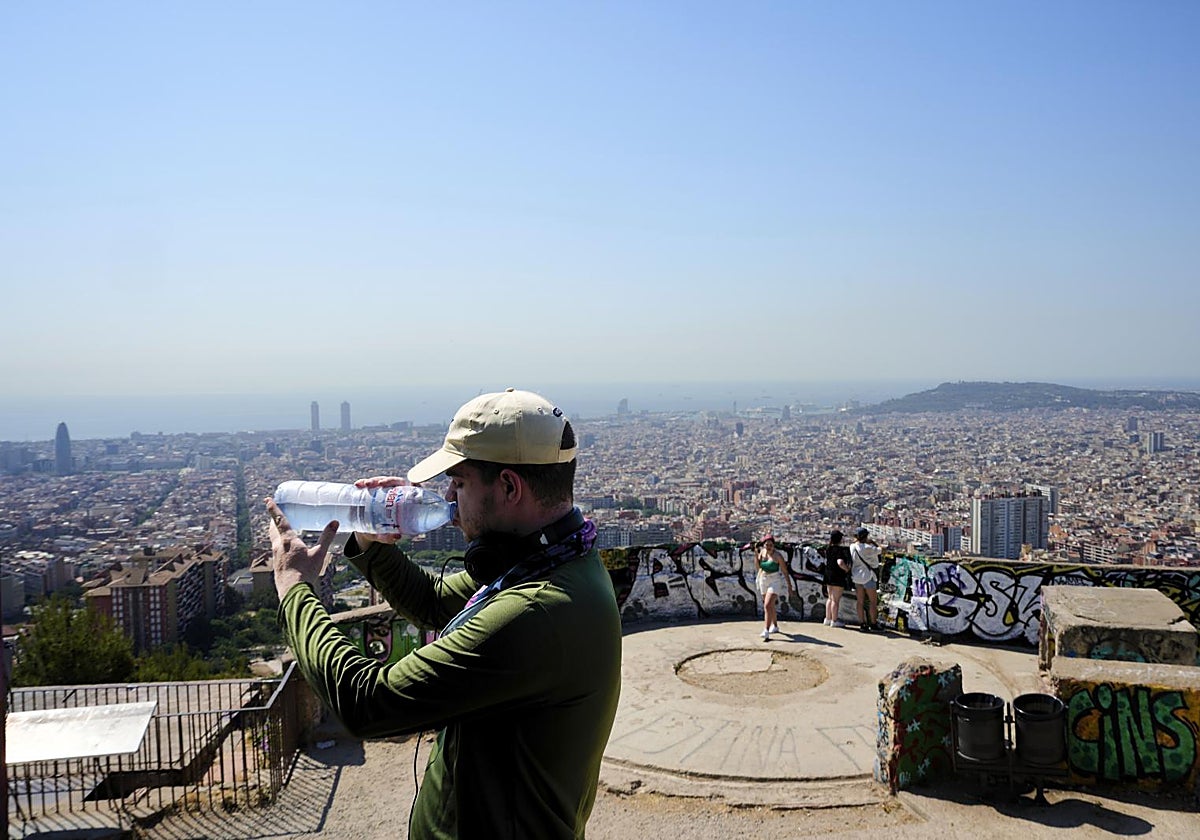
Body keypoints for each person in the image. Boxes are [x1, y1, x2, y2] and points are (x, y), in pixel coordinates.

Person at [266, 388, 622, 839]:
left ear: (510, 486)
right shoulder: (554, 562)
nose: (448, 496)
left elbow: (366, 702)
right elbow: (433, 604)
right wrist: (372, 540)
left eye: (459, 480)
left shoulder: (535, 610)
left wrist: (295, 589)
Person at [754, 534, 794, 640]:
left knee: (767, 605)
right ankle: (775, 626)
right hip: (763, 579)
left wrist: (789, 586)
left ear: (773, 545)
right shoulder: (762, 553)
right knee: (770, 606)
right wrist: (755, 556)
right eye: (766, 545)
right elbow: (758, 567)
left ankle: (766, 630)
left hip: (774, 580)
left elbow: (785, 571)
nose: (768, 547)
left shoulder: (778, 556)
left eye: (770, 545)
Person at [850, 527, 883, 632]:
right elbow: (881, 550)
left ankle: (862, 624)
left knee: (860, 601)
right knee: (873, 602)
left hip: (856, 577)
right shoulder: (868, 548)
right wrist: (872, 542)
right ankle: (873, 624)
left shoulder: (852, 547)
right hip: (868, 576)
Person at [822, 530, 852, 628]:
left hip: (828, 575)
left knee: (830, 598)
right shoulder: (839, 550)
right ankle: (834, 620)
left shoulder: (828, 549)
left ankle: (828, 618)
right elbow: (840, 562)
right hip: (837, 576)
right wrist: (847, 569)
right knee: (836, 600)